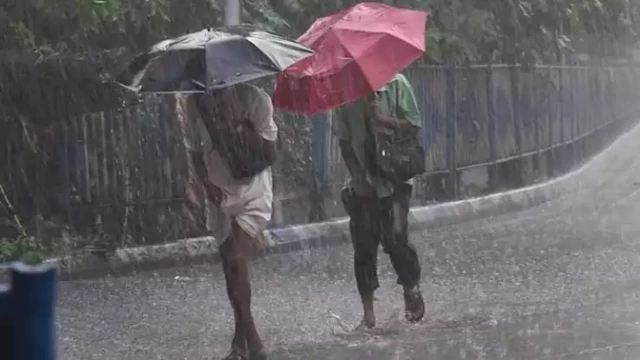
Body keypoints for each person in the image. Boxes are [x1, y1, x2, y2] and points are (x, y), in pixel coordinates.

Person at [177, 82, 277, 360]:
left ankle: (253, 342)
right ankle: (239, 339)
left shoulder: (256, 99)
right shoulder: (192, 104)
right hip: (218, 192)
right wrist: (205, 183)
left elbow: (270, 153)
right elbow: (195, 153)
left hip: (252, 189)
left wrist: (239, 125)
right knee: (229, 269)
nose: (214, 92)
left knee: (236, 259)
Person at [334, 73, 425, 330]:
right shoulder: (345, 94)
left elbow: (414, 125)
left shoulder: (397, 84)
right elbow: (344, 141)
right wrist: (358, 178)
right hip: (362, 185)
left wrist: (382, 119)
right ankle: (368, 314)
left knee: (396, 240)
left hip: (395, 181)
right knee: (363, 248)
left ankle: (410, 286)